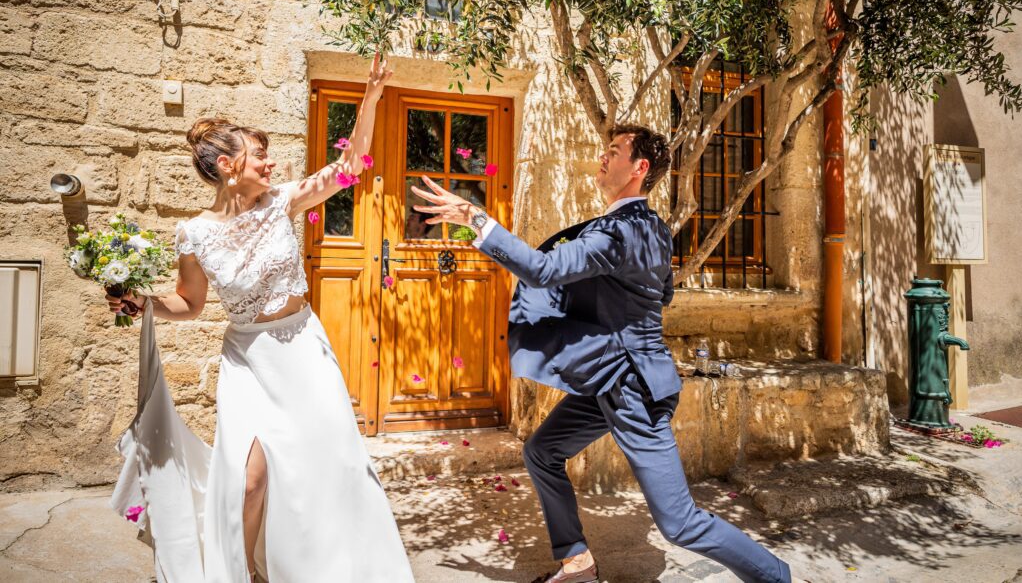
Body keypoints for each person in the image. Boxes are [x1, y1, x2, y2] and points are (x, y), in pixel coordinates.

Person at [412, 123, 792, 583]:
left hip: (634, 390)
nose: (603, 157)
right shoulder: (651, 227)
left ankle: (777, 578)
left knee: (680, 523)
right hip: (611, 378)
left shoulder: (620, 232)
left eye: (614, 151)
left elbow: (542, 269)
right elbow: (661, 295)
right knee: (542, 451)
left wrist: (474, 218)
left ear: (639, 168)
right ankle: (577, 563)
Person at [106, 55, 414, 582]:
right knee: (249, 481)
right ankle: (246, 573)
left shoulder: (282, 203)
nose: (271, 165)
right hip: (247, 358)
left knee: (332, 464)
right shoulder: (194, 234)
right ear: (228, 166)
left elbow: (351, 165)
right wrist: (144, 304)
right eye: (260, 156)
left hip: (301, 350)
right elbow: (191, 302)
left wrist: (372, 96)